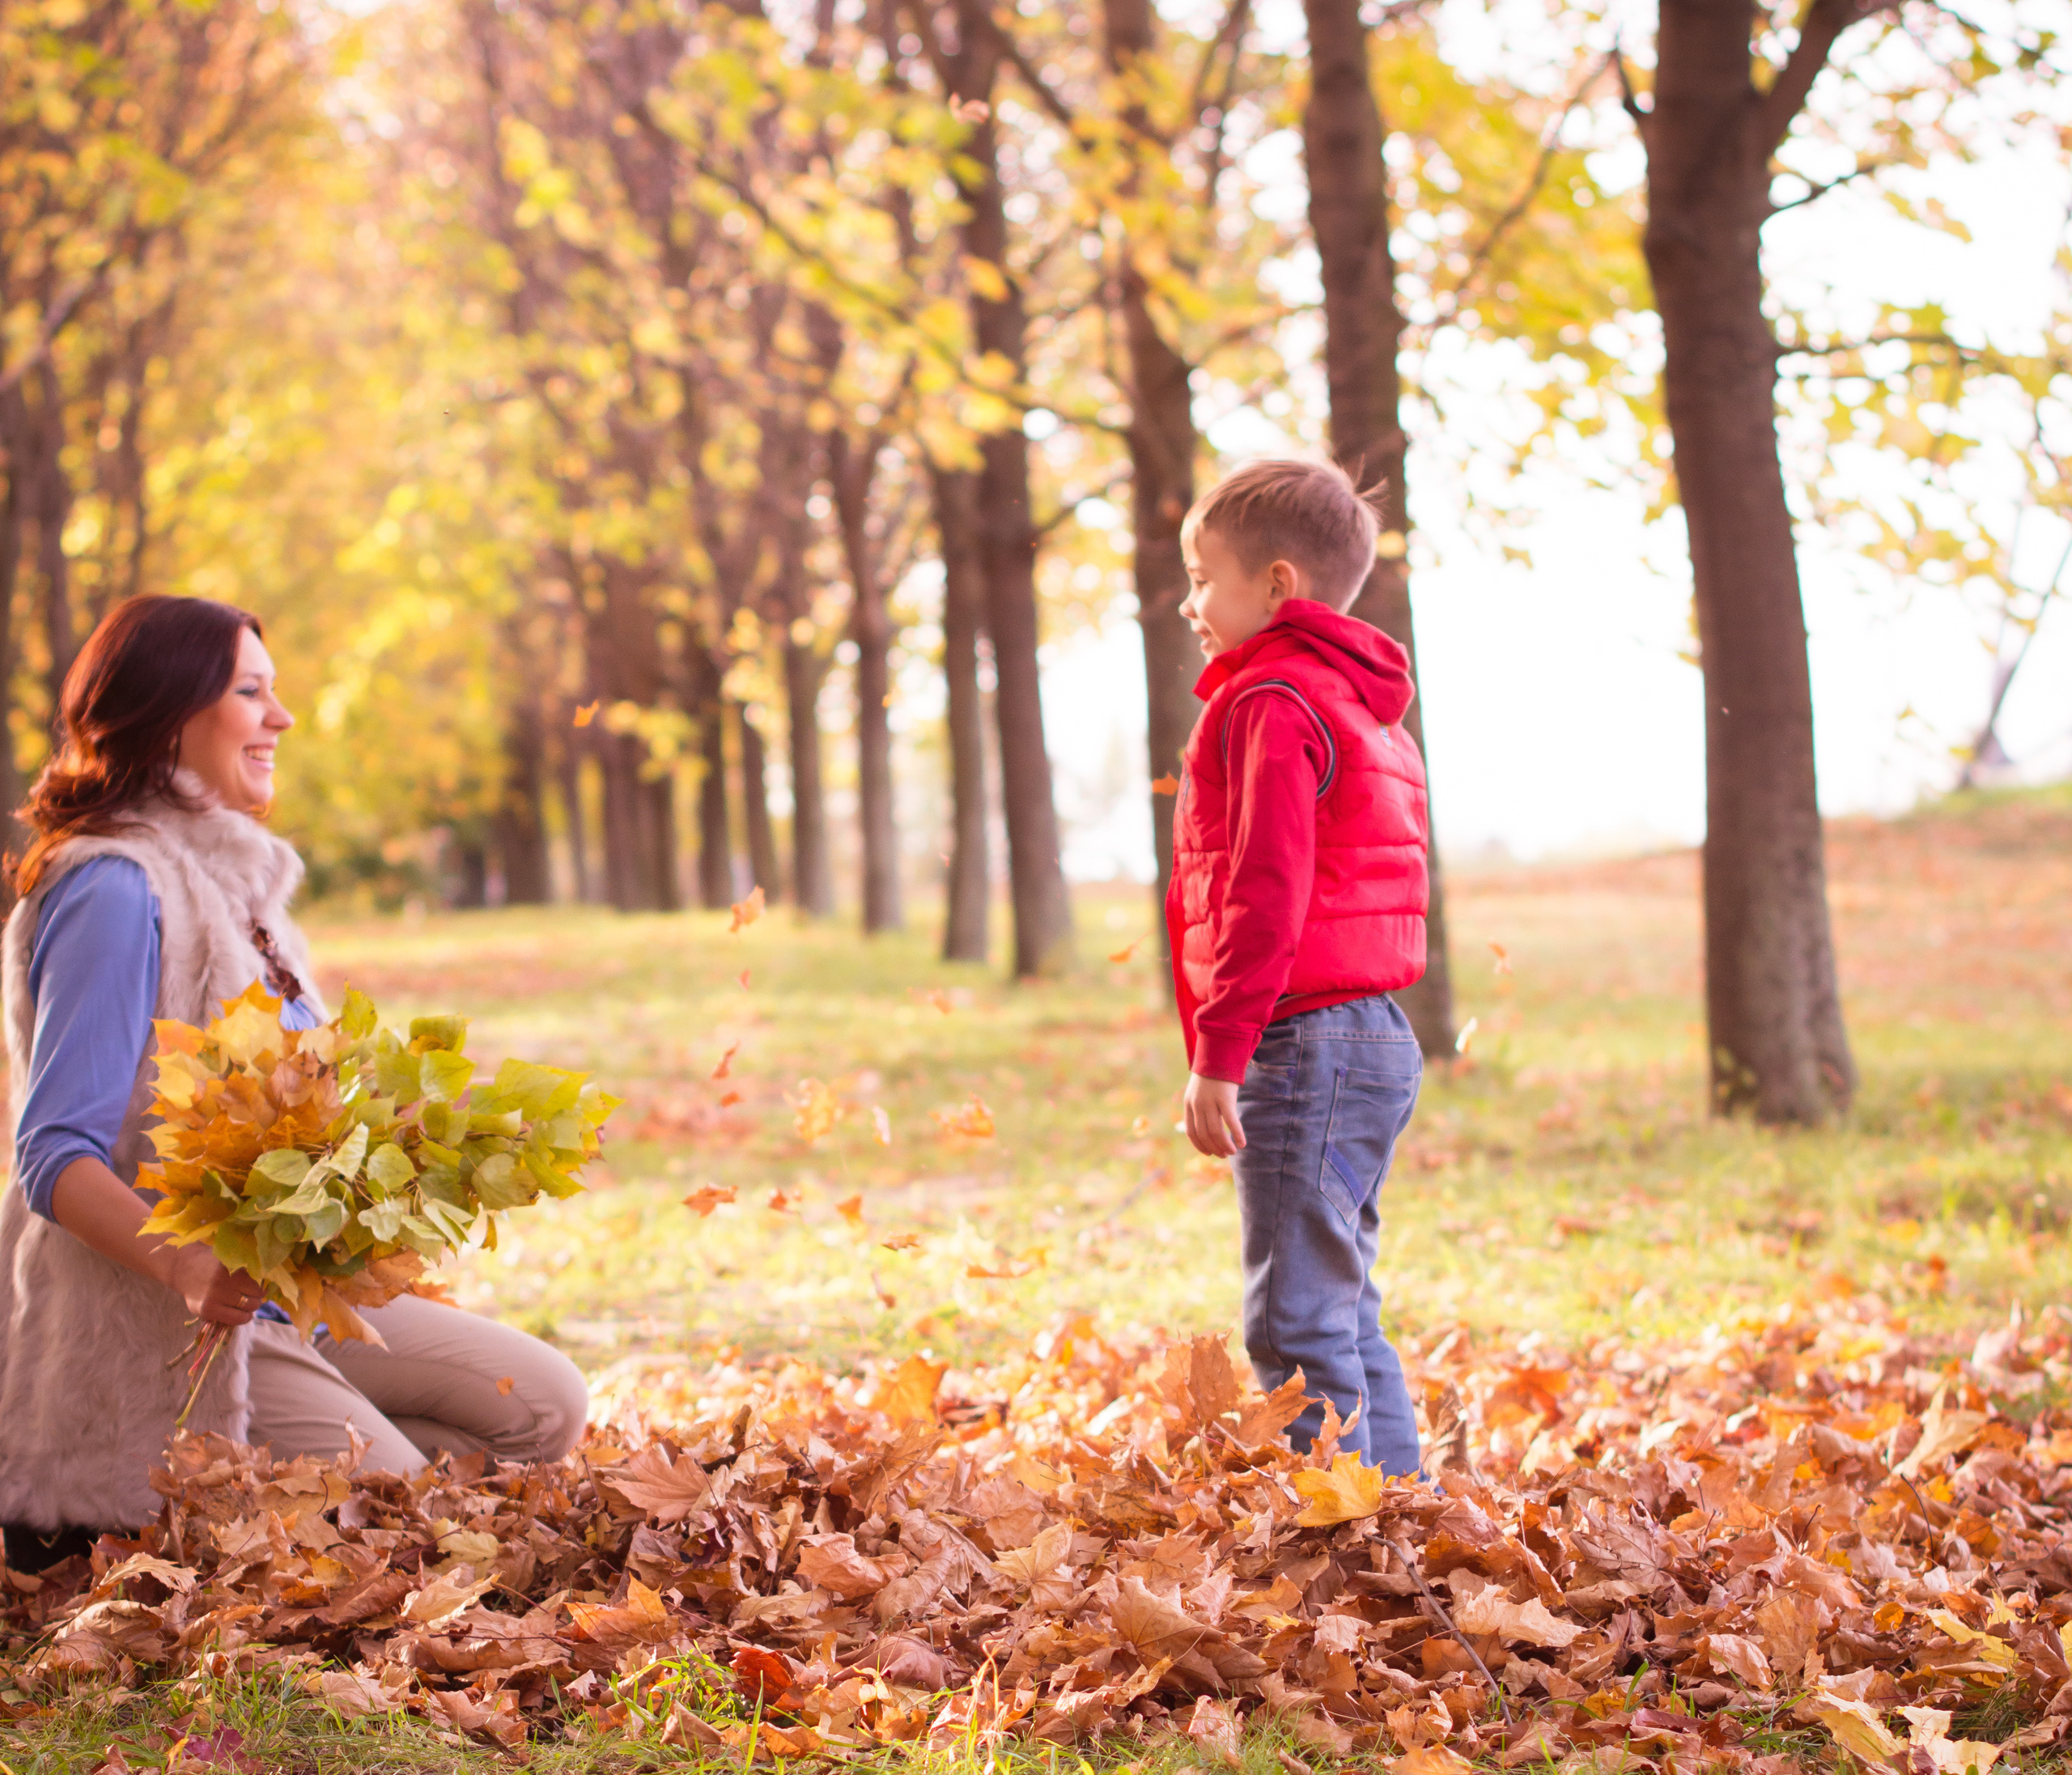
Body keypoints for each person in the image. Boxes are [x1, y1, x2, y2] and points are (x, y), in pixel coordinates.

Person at [0, 595, 588, 1566]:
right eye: (251, 691)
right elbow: (50, 1153)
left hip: (286, 1300)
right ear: (168, 710)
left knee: (544, 1407)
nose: (284, 718)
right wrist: (187, 1266)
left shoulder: (241, 891)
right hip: (161, 1331)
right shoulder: (112, 888)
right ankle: (104, 1528)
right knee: (401, 1530)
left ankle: (305, 1483)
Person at [1167, 459, 1431, 1476]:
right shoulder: (1361, 704)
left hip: (1303, 1038)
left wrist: (1219, 1052)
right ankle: (1402, 1522)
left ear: (1276, 585)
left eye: (1202, 577)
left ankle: (1341, 1549)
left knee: (1294, 1325)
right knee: (1343, 1310)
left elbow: (1266, 888)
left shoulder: (1274, 700)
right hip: (1371, 1035)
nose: (1189, 602)